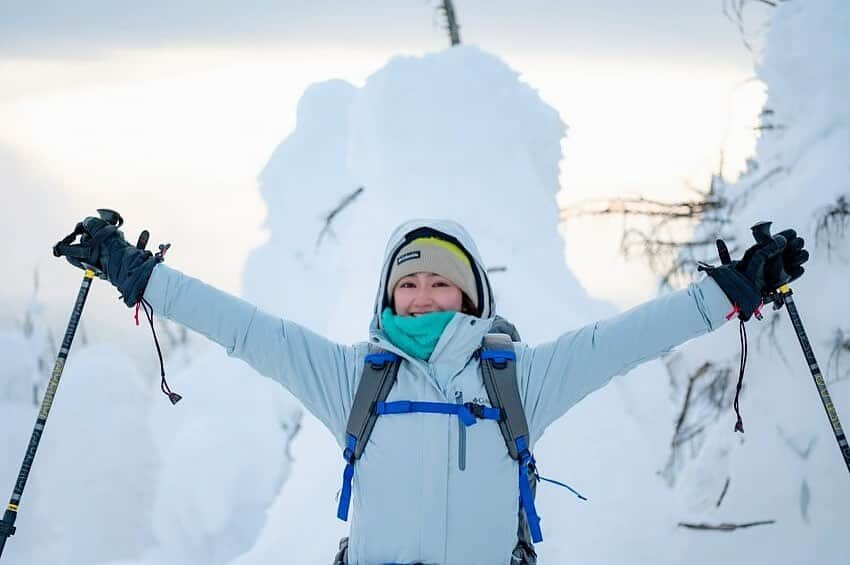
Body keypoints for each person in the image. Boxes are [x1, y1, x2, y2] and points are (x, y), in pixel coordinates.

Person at [56, 215, 808, 565]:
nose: (419, 295)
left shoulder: (519, 377)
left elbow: (624, 342)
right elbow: (246, 328)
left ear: (470, 295)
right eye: (406, 281)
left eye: (438, 281)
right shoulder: (354, 375)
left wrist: (733, 291)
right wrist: (137, 273)